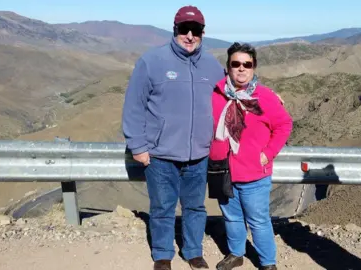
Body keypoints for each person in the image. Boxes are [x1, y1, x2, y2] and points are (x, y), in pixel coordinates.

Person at [121, 5, 225, 270]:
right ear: (175, 29)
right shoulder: (152, 61)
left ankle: (193, 251)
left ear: (203, 32)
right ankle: (163, 255)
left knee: (195, 208)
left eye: (196, 30)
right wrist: (138, 145)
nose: (190, 35)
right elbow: (134, 105)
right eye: (184, 29)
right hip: (160, 154)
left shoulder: (211, 65)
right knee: (162, 208)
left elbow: (233, 93)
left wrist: (266, 96)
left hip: (199, 154)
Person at [209, 42, 293, 270]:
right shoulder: (215, 95)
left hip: (255, 173)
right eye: (236, 64)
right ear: (228, 67)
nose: (241, 68)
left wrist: (268, 153)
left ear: (254, 67)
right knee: (232, 218)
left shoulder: (264, 97)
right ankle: (236, 254)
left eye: (247, 64)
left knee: (258, 221)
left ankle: (267, 262)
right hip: (223, 170)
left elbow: (284, 125)